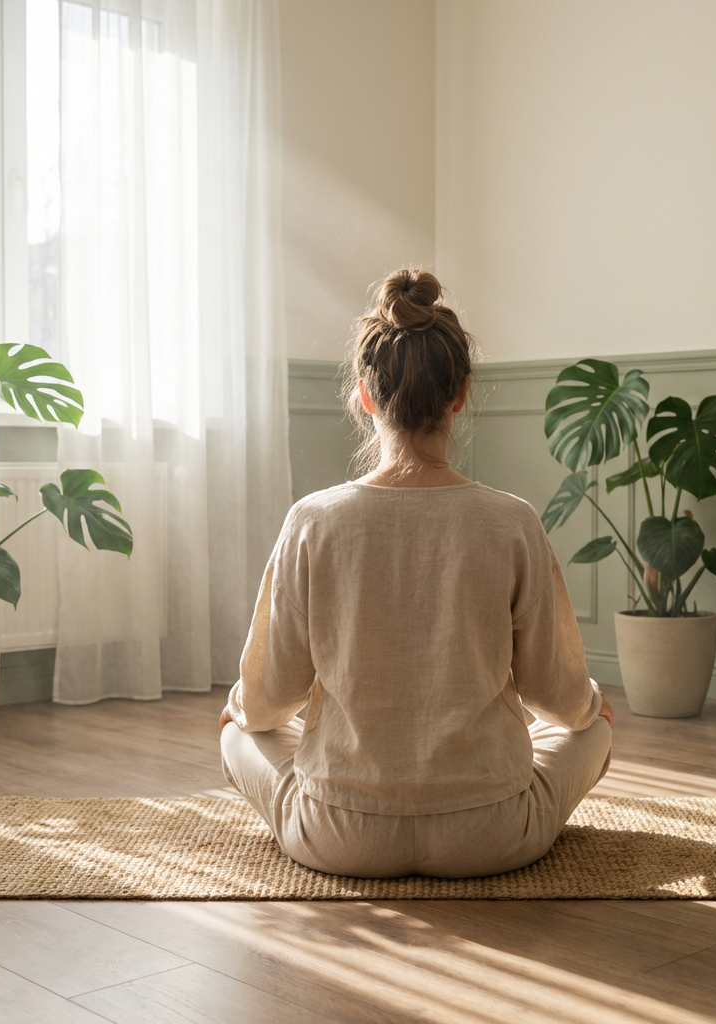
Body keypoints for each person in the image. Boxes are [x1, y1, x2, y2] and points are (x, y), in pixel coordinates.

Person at [219, 268, 612, 879]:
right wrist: (593, 711)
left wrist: (240, 711)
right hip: (492, 830)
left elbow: (271, 700)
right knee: (594, 731)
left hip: (338, 833)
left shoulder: (311, 521)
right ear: (460, 394)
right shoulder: (512, 522)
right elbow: (552, 696)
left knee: (236, 733)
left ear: (365, 396)